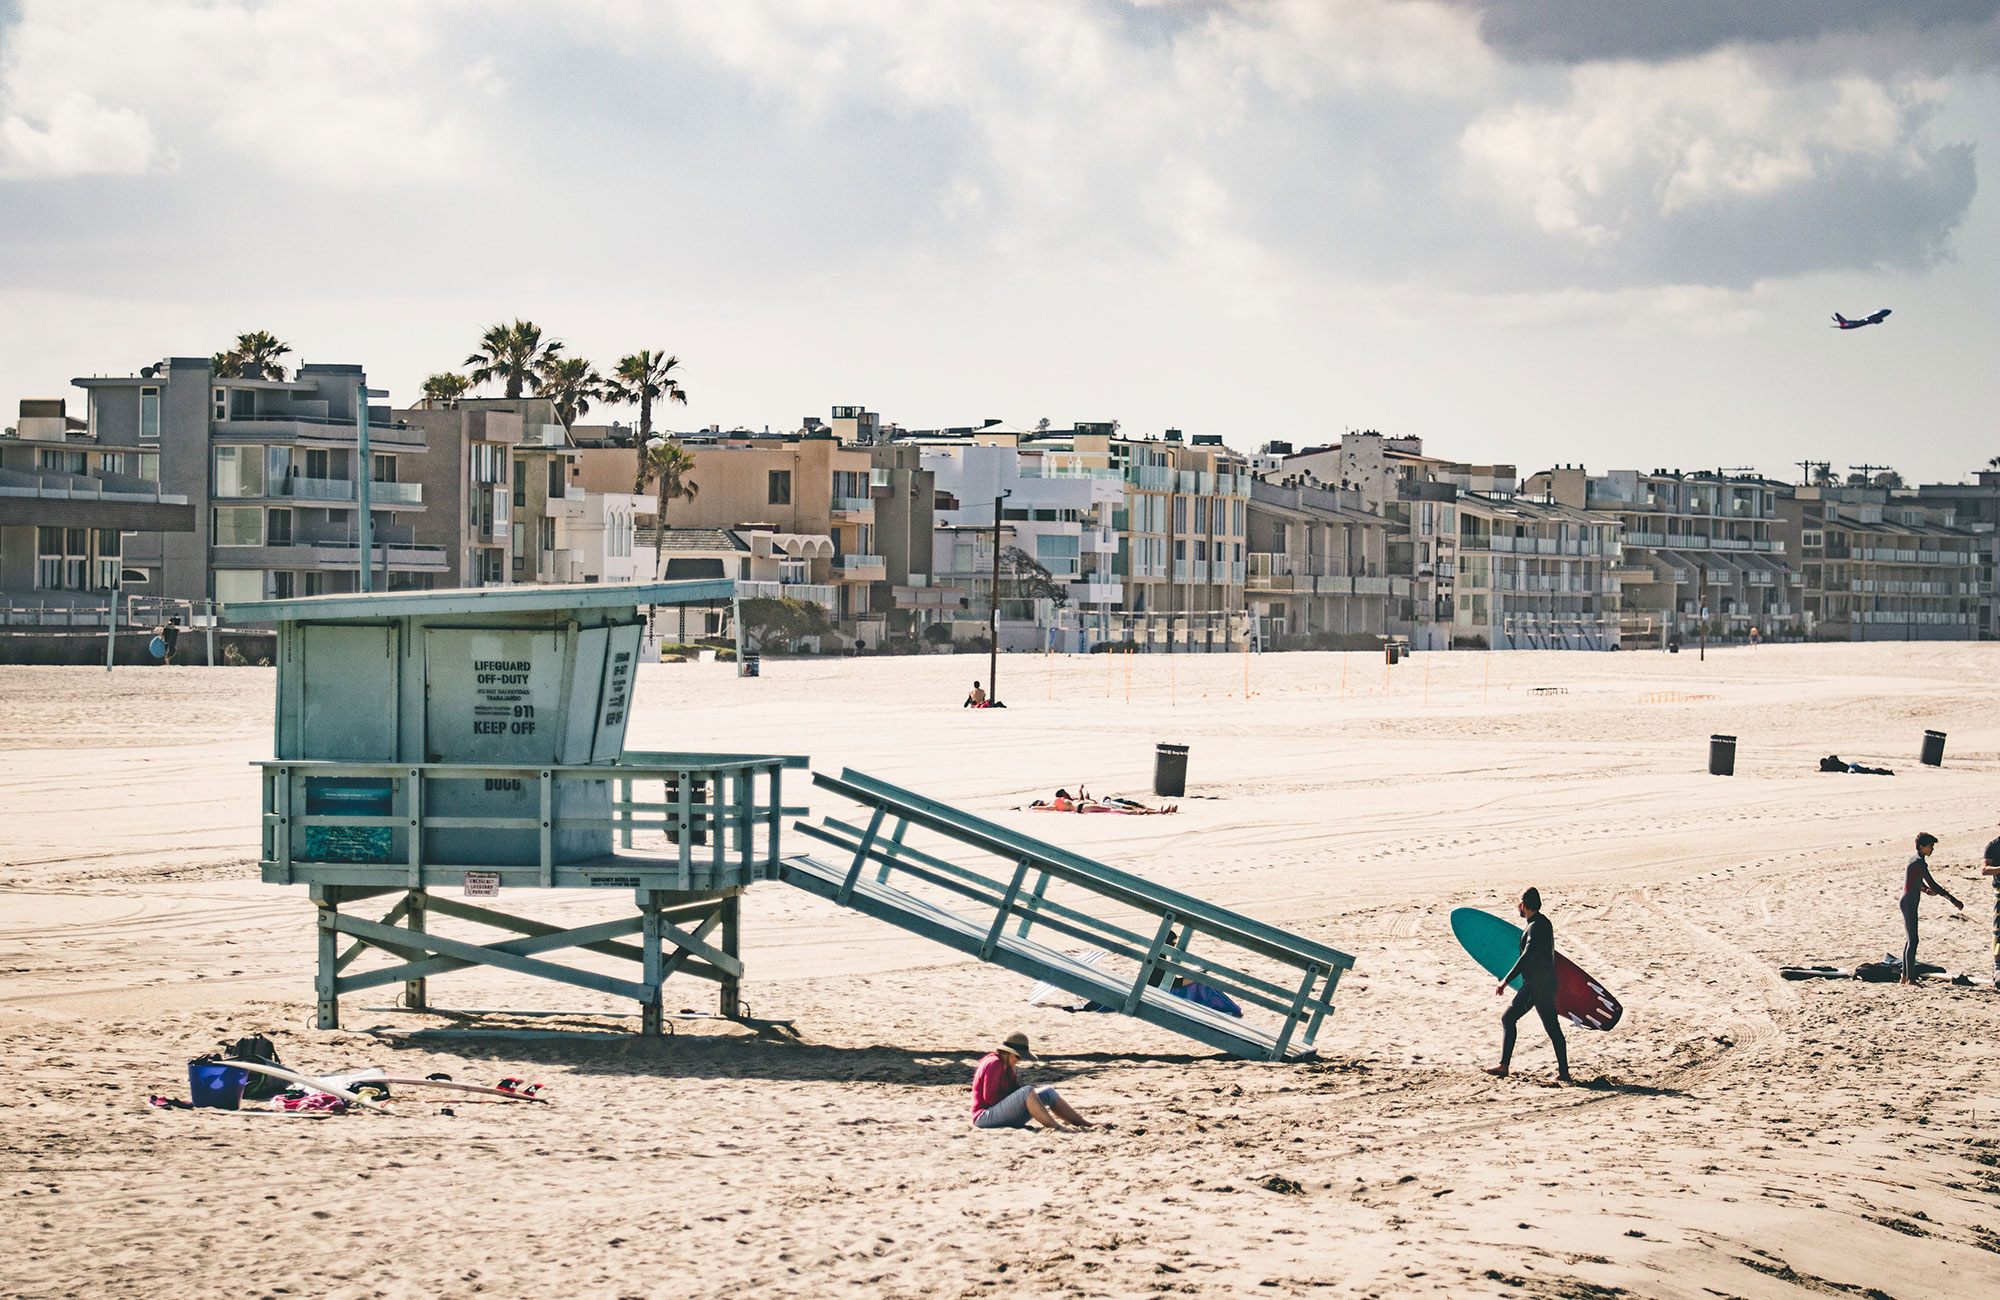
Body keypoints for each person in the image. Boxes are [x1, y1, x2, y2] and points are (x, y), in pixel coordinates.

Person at [1483, 887, 1571, 1084]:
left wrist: (1506, 980)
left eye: (1518, 902)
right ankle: (1564, 1072)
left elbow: (1528, 955)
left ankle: (1504, 1066)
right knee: (1553, 1029)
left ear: (1523, 905)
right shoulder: (1543, 923)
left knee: (1508, 1019)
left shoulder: (1535, 927)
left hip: (1535, 987)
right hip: (1546, 985)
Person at [970, 1031, 1105, 1130]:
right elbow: (990, 1099)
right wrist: (1020, 1099)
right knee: (1027, 1091)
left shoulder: (1007, 1065)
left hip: (1001, 1114)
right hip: (984, 1117)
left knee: (1048, 1092)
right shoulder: (994, 1063)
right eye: (1017, 1057)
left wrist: (1023, 1100)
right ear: (1007, 1052)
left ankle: (1085, 1124)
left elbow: (1013, 1090)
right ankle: (1055, 1127)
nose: (1019, 1060)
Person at [1900, 833, 1963, 983]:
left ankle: (1904, 977)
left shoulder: (1915, 860)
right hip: (1909, 902)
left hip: (1908, 901)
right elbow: (1933, 884)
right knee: (1913, 940)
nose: (1932, 849)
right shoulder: (1919, 862)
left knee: (1910, 940)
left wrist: (1927, 891)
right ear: (1921, 847)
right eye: (1930, 846)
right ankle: (1911, 979)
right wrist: (1952, 899)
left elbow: (1917, 882)